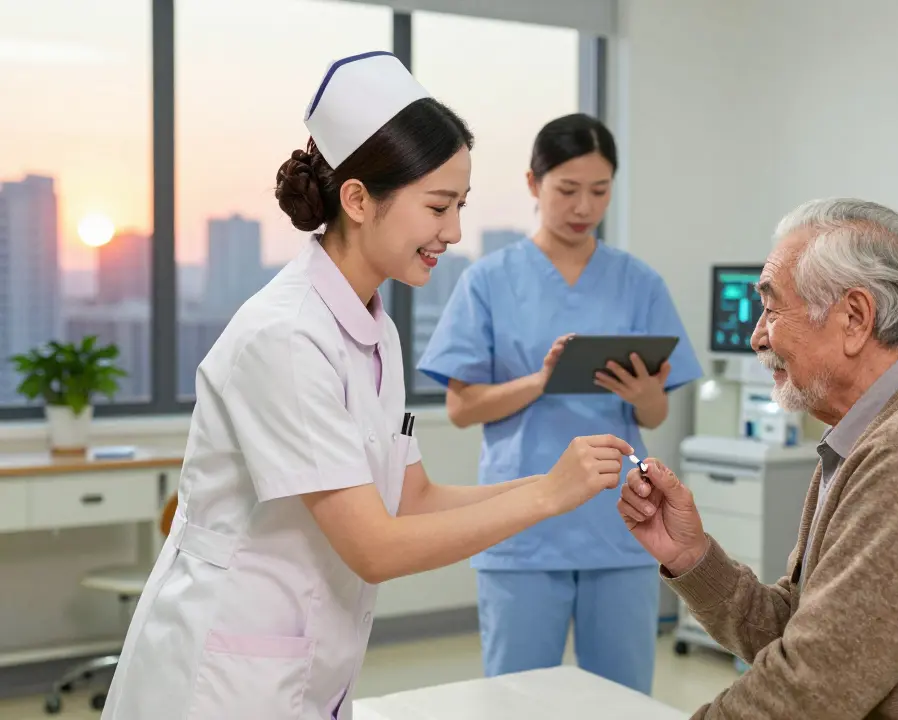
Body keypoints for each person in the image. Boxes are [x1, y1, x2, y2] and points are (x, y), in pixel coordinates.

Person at [101, 53, 634, 720]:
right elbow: (376, 546)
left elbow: (413, 498)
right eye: (439, 206)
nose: (455, 232)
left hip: (304, 660)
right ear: (357, 198)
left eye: (461, 206)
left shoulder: (374, 326)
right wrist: (549, 498)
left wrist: (554, 482)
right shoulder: (287, 335)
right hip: (222, 676)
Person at [619, 198, 898, 719]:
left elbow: (810, 687)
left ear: (855, 318)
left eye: (771, 308)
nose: (756, 336)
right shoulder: (872, 430)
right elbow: (802, 632)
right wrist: (692, 558)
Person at [416, 113, 702, 694]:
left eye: (599, 192)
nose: (583, 207)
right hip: (522, 523)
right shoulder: (489, 281)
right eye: (567, 190)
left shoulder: (638, 282)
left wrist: (645, 396)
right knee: (518, 701)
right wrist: (541, 381)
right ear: (532, 184)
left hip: (621, 524)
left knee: (623, 702)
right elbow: (463, 408)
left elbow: (655, 416)